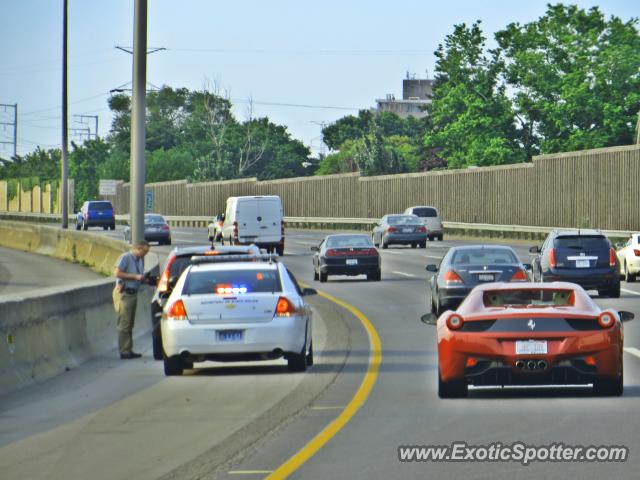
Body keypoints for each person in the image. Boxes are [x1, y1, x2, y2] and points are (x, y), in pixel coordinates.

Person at [113, 240, 150, 359]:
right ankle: (124, 351)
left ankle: (129, 348)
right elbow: (117, 273)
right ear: (138, 248)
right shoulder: (126, 257)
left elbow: (138, 276)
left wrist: (145, 279)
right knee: (124, 323)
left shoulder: (139, 260)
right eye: (144, 251)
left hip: (133, 293)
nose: (145, 254)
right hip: (124, 293)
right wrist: (135, 276)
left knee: (130, 323)